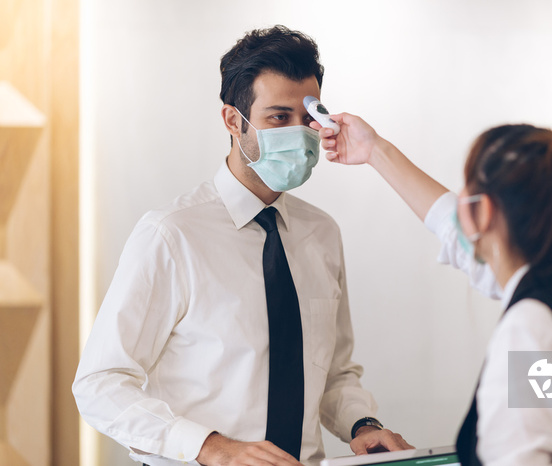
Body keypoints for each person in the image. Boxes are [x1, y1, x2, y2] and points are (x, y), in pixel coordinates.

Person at [73, 26, 411, 466]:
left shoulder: (322, 233)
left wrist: (361, 425)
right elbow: (100, 383)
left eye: (308, 118)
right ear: (234, 121)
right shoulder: (171, 235)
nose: (300, 133)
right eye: (278, 117)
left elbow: (332, 372)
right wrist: (211, 447)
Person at [313, 115, 552, 465]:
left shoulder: (531, 325)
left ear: (484, 210)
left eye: (465, 191)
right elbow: (455, 231)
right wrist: (374, 150)